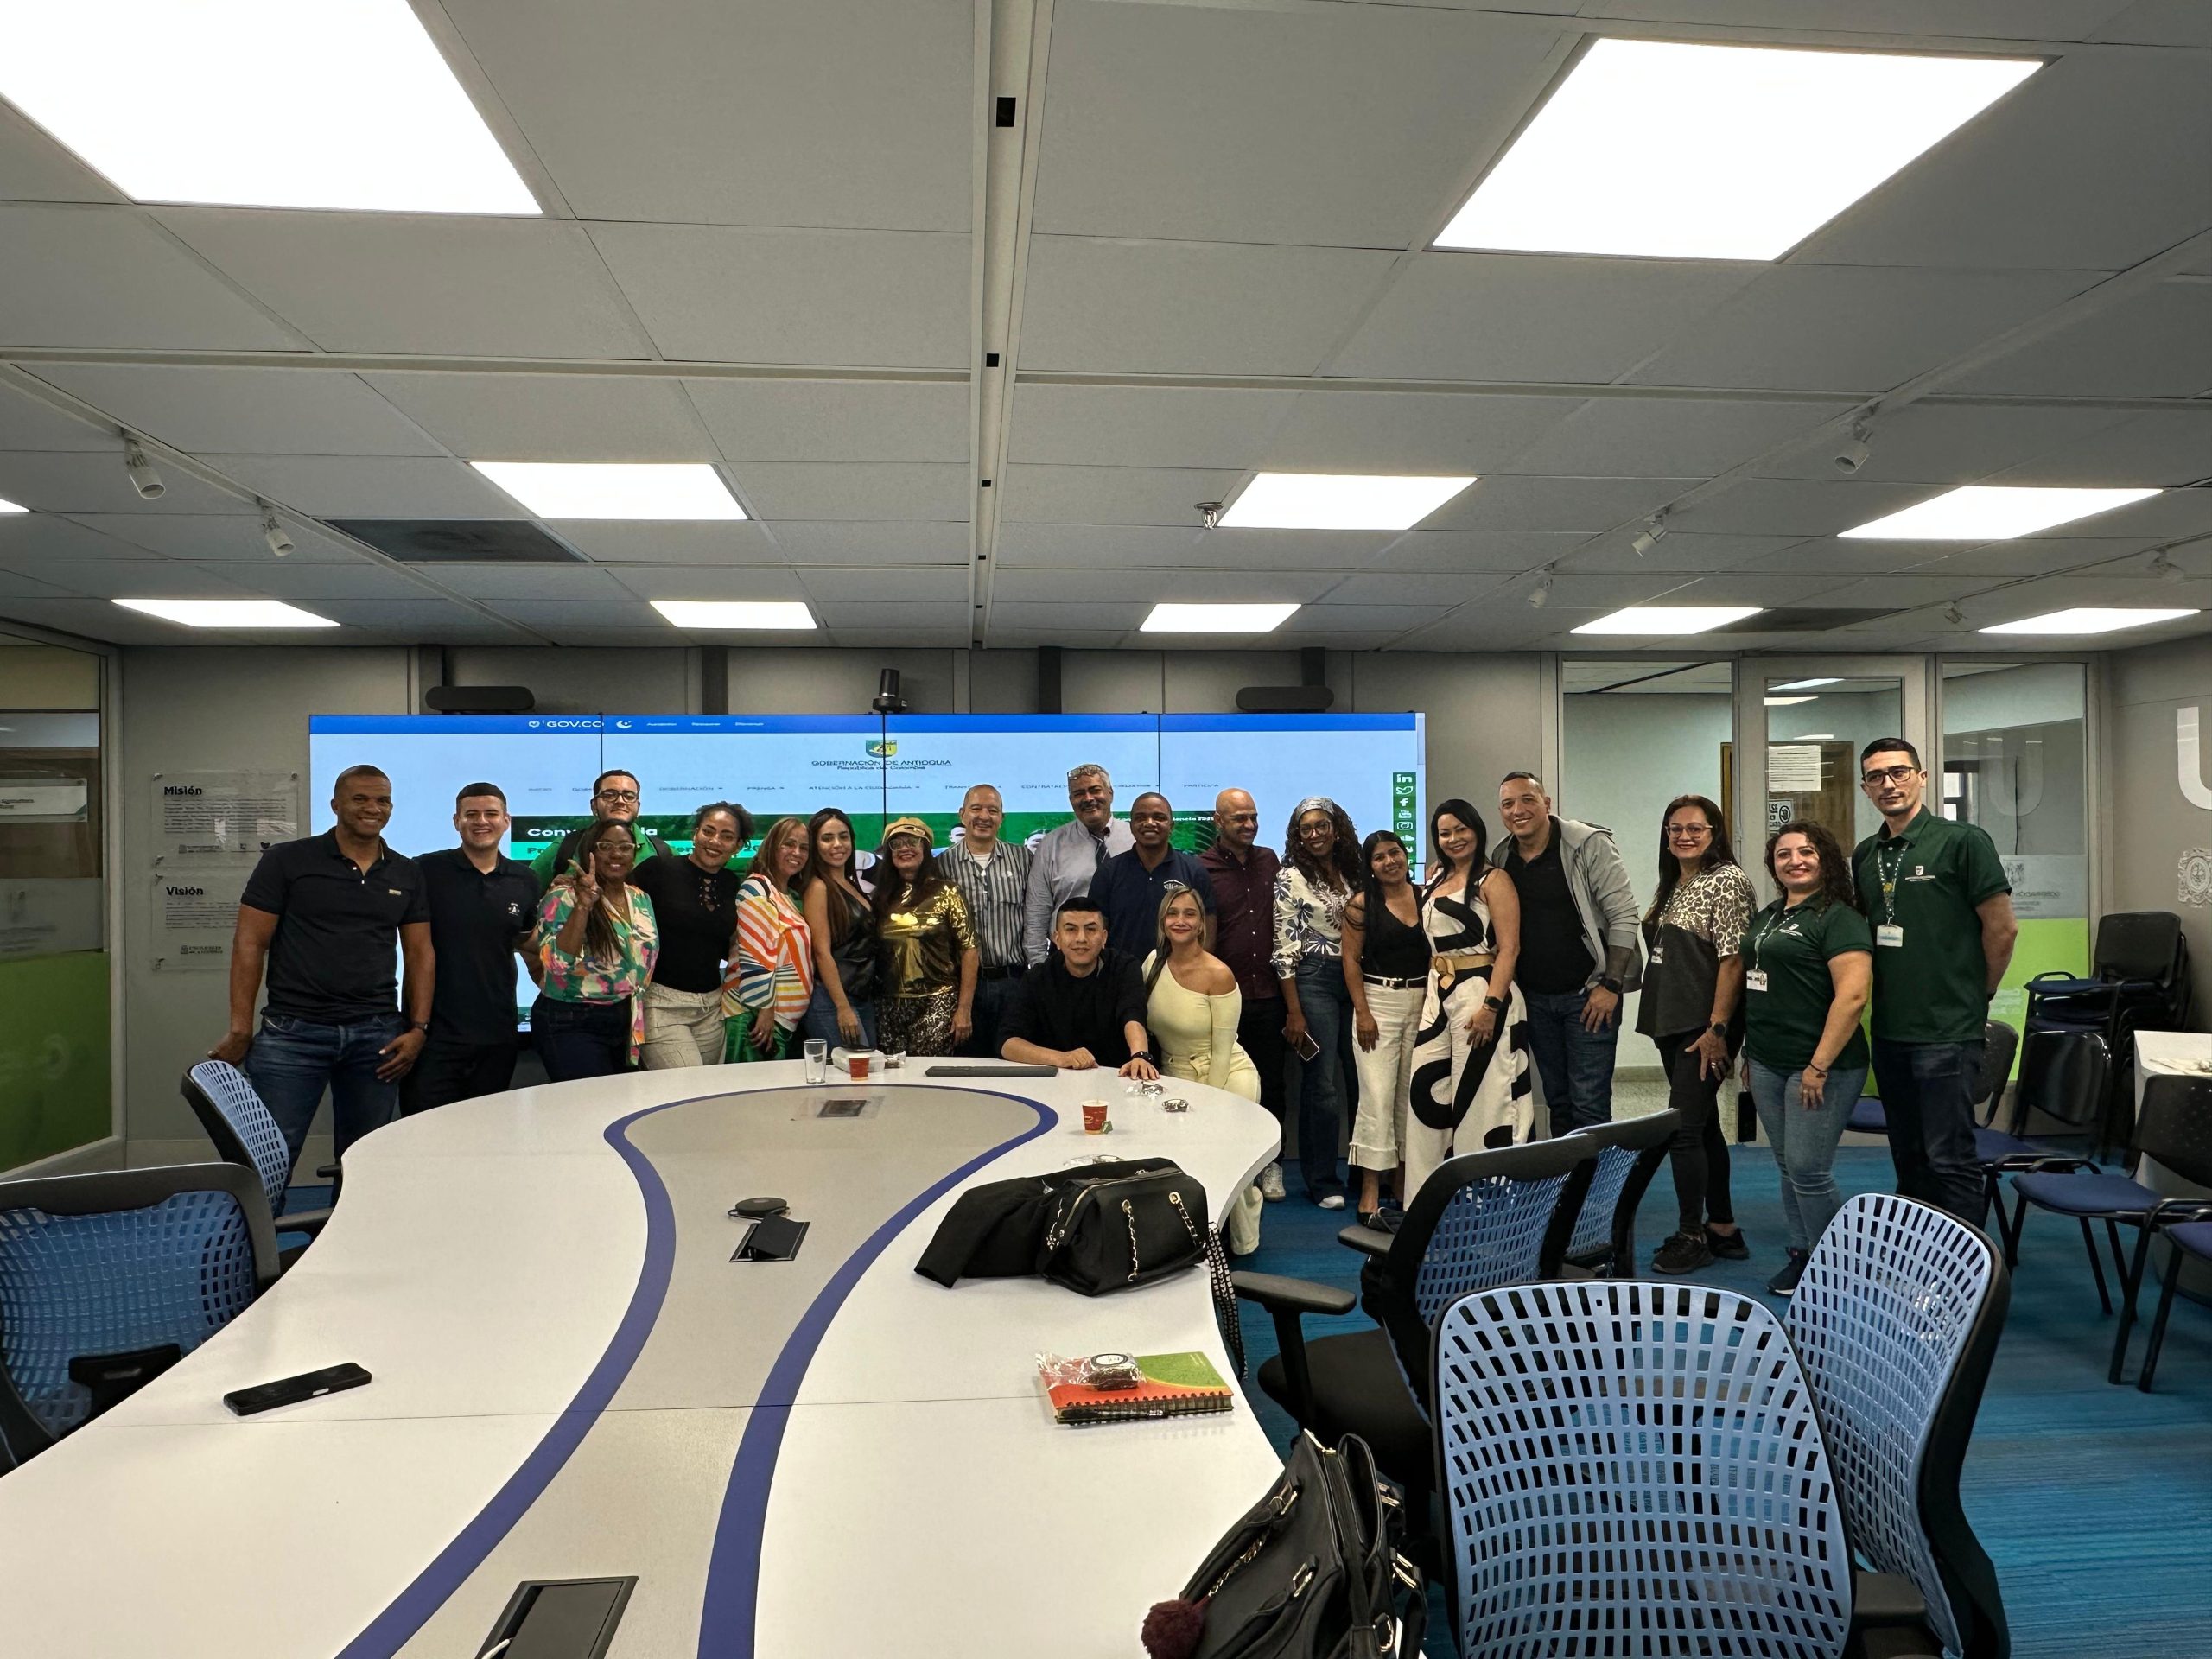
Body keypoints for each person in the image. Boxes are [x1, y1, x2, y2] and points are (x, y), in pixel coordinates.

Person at [213, 764, 432, 1173]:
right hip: (293, 1035)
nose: (373, 808)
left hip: (376, 1037)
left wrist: (418, 1028)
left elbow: (420, 953)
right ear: (335, 805)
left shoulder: (406, 872)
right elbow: (249, 942)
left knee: (365, 1161)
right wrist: (240, 1027)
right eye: (360, 799)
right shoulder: (287, 861)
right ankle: (253, 1222)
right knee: (268, 1159)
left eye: (382, 800)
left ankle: (353, 1221)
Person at [1852, 738, 2017, 1223]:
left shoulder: (1963, 841)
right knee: (1909, 1155)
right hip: (1890, 1030)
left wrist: (1980, 994)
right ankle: (1918, 1256)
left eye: (1899, 772)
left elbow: (2002, 928)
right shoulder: (1865, 855)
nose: (1889, 784)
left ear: (1922, 778)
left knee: (1949, 1158)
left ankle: (1966, 1266)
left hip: (1947, 1031)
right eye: (1876, 777)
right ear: (1865, 788)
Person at [1743, 821, 1873, 1296]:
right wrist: (1749, 1052)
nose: (1794, 861)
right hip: (1767, 1059)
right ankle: (1804, 1254)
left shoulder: (1839, 918)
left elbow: (1853, 997)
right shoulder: (1770, 914)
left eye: (1806, 852)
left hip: (1821, 1066)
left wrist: (1818, 1066)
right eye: (1783, 854)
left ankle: (1837, 1270)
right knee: (1787, 1164)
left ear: (1826, 860)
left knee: (1808, 1168)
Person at [1636, 794, 1757, 1274]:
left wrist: (1718, 1029)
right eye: (1675, 829)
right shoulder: (1676, 882)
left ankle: (1692, 1236)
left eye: (1695, 829)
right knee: (1703, 1126)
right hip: (1673, 1022)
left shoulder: (1726, 880)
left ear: (1714, 833)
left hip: (1704, 1028)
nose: (1684, 836)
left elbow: (1733, 960)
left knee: (1683, 1131)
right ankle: (1723, 1228)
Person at [1495, 770, 1642, 1135]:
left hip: (1590, 996)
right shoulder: (1501, 856)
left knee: (1589, 1105)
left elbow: (1623, 915)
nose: (1518, 810)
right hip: (1535, 999)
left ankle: (1598, 1175)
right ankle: (1568, 1174)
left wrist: (1611, 986)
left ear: (1547, 804)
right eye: (1508, 804)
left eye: (1528, 800)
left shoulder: (1588, 844)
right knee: (1557, 1102)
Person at [1407, 800, 1531, 1202]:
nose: (1454, 839)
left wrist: (1491, 1007)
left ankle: (1489, 1200)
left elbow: (1509, 948)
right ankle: (1429, 1198)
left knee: (1485, 1099)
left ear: (1477, 830)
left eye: (1461, 829)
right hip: (1438, 992)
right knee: (1426, 1092)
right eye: (1445, 833)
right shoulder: (1435, 877)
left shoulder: (1494, 879)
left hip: (1482, 991)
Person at [402, 782, 541, 1115]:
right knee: (423, 1131)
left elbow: (527, 941)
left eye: (491, 814)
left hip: (498, 1033)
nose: (481, 821)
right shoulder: (425, 870)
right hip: (434, 1034)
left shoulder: (524, 879)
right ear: (456, 821)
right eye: (471, 814)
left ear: (506, 821)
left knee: (485, 1131)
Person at [1142, 885, 1265, 1253]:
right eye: (1172, 913)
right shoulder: (1152, 964)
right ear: (1162, 921)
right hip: (1174, 1075)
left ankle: (1243, 1240)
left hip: (1226, 1076)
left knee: (1229, 1157)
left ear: (1201, 924)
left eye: (1189, 914)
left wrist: (1208, 1102)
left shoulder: (1219, 974)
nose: (1180, 920)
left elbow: (1223, 1051)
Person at [1273, 796, 1362, 1210]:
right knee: (1323, 1085)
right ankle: (1323, 1181)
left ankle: (1365, 1174)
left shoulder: (1355, 871)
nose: (1314, 834)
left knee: (1364, 1079)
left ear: (1336, 828)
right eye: (1305, 829)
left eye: (1321, 826)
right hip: (1314, 979)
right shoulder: (1290, 877)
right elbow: (1284, 947)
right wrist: (1294, 1010)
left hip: (1359, 979)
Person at [1201, 788, 1288, 1201]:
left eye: (1253, 817)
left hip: (1269, 992)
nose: (1249, 825)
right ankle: (1233, 1165)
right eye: (1239, 818)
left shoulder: (1270, 860)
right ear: (1218, 821)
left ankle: (1270, 1165)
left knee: (1271, 1084)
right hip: (1223, 998)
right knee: (1224, 1083)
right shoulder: (1201, 868)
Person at [529, 817, 658, 1080]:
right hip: (572, 1019)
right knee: (590, 1101)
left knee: (619, 1101)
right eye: (605, 846)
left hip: (624, 1018)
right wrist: (583, 906)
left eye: (625, 847)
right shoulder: (563, 898)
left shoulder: (640, 898)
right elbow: (556, 965)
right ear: (590, 851)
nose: (616, 854)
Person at [1343, 830, 1427, 1228]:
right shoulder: (1362, 905)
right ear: (1370, 866)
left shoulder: (1427, 896)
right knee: (1376, 1098)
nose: (1390, 861)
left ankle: (1404, 1184)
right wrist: (1362, 1012)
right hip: (1378, 1003)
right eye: (1379, 857)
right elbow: (1350, 961)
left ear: (1405, 854)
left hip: (1424, 1002)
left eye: (1395, 852)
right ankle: (1370, 1190)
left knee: (1411, 1097)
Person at [629, 801, 749, 1070]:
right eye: (708, 831)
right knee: (688, 1085)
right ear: (695, 833)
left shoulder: (731, 883)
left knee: (709, 1091)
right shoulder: (657, 870)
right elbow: (616, 909)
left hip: (711, 1007)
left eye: (726, 836)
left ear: (738, 846)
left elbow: (726, 943)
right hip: (661, 1004)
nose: (714, 841)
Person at [1000, 896, 1158, 1078]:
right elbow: (1007, 1043)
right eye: (1071, 929)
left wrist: (1140, 1055)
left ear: (1104, 937)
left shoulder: (1124, 968)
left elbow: (1133, 1015)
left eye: (1090, 929)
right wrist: (1061, 1058)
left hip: (1117, 1077)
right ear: (1057, 939)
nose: (1081, 938)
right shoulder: (1038, 977)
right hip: (1057, 1081)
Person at [938, 784, 1032, 1059]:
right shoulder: (942, 865)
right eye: (976, 808)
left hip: (1014, 982)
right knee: (968, 1066)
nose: (984, 816)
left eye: (993, 810)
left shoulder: (1024, 859)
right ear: (962, 814)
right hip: (962, 987)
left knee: (1016, 1063)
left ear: (1002, 817)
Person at [873, 818, 978, 1058]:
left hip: (937, 1001)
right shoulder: (881, 898)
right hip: (888, 1005)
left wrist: (964, 1009)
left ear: (926, 848)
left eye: (913, 842)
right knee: (893, 1074)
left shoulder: (947, 892)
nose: (905, 848)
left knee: (927, 1073)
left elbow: (969, 949)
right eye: (897, 844)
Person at [1022, 763, 1134, 964]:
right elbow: (1037, 913)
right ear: (1071, 800)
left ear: (1111, 793)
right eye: (1079, 793)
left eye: (1095, 790)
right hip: (1067, 961)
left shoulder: (1135, 840)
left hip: (1127, 957)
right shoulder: (1051, 845)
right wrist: (1039, 968)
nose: (1088, 798)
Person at [725, 817, 815, 1062]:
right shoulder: (757, 887)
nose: (797, 852)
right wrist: (765, 1010)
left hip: (780, 1022)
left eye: (804, 847)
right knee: (751, 1087)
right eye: (789, 844)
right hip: (755, 1018)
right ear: (772, 846)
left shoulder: (788, 896)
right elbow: (755, 953)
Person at [1089, 791, 1215, 951]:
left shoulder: (1194, 871)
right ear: (1131, 826)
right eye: (1140, 818)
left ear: (1171, 826)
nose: (1149, 823)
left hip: (1179, 967)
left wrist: (1196, 965)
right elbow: (1095, 930)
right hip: (1121, 967)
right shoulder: (1108, 873)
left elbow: (1208, 931)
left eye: (1159, 817)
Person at [799, 807, 878, 1050]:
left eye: (843, 837)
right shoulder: (818, 887)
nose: (837, 844)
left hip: (861, 996)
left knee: (867, 1068)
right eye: (827, 838)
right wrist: (842, 1007)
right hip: (833, 999)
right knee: (852, 1070)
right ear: (815, 845)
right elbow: (821, 952)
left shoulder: (850, 883)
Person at [529, 768, 668, 886]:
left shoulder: (663, 852)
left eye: (629, 796)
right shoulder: (565, 847)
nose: (620, 801)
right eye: (609, 795)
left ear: (638, 807)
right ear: (594, 805)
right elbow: (524, 891)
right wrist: (553, 897)